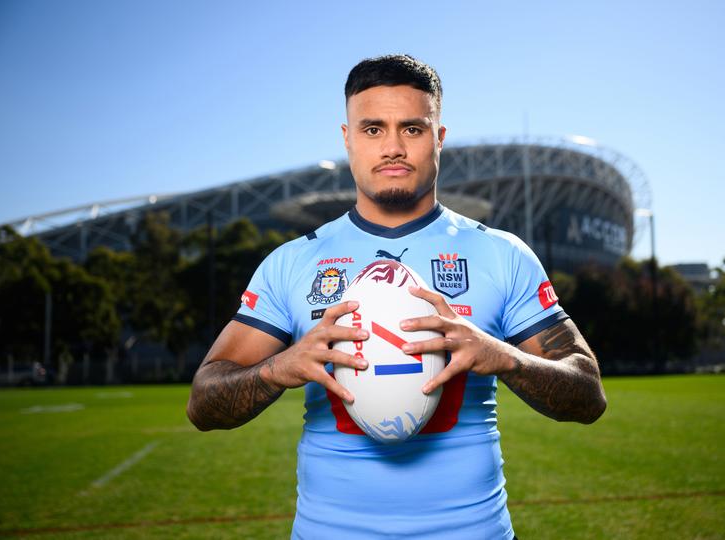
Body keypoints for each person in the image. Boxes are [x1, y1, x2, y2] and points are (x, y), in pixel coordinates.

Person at [187, 54, 607, 539]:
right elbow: (203, 404)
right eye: (372, 129)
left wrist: (504, 357)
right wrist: (278, 368)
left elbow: (588, 396)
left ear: (439, 139)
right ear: (347, 139)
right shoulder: (292, 262)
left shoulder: (500, 253)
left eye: (412, 129)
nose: (392, 147)